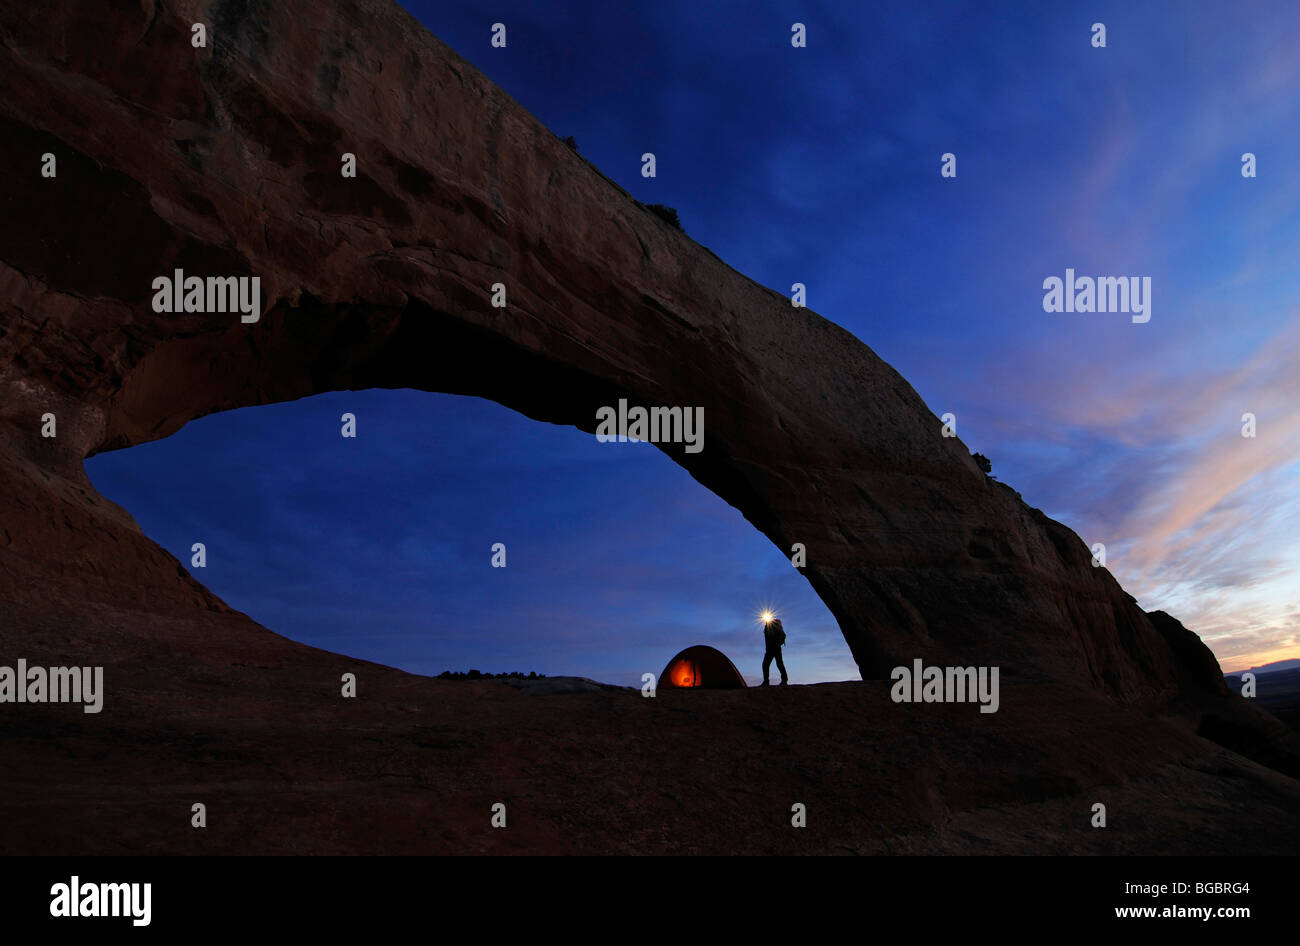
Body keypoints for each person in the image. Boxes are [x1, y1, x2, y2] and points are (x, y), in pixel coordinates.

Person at [761, 616, 788, 686]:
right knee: (766, 664)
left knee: (779, 664)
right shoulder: (767, 628)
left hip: (776, 649)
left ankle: (784, 680)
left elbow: (783, 635)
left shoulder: (775, 627)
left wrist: (777, 643)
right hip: (770, 649)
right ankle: (766, 681)